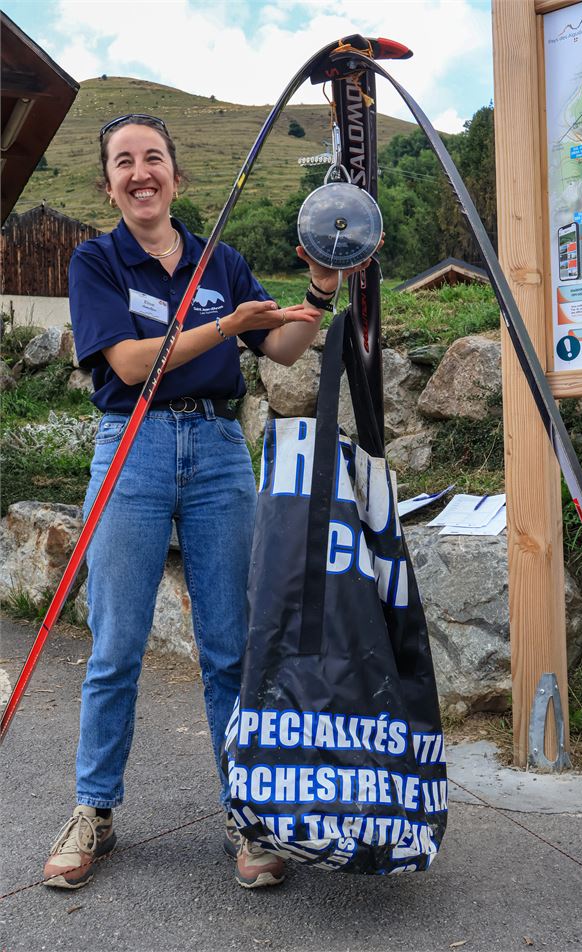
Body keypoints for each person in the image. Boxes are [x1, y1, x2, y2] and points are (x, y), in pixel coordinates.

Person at [43, 114, 370, 891]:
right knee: (117, 646)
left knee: (230, 649)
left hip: (219, 451)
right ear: (108, 184)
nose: (140, 172)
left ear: (176, 174)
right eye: (124, 162)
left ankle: (245, 813)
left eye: (153, 156)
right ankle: (94, 808)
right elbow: (129, 364)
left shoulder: (220, 258)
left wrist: (321, 286)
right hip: (132, 447)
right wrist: (223, 325)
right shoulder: (96, 260)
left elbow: (281, 345)